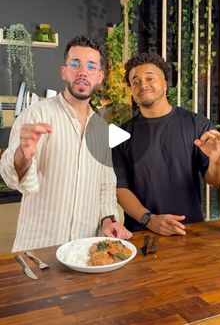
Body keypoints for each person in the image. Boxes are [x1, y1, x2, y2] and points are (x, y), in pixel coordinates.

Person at [0, 35, 132, 251]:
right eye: (75, 64)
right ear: (64, 72)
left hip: (84, 251)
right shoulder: (36, 115)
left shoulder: (101, 129)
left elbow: (106, 185)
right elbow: (12, 178)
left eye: (91, 66)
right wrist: (22, 157)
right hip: (38, 249)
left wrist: (109, 220)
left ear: (99, 76)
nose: (82, 72)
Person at [112, 53, 220, 236]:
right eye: (135, 81)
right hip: (141, 234)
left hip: (189, 231)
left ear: (164, 83)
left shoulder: (197, 125)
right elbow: (121, 188)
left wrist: (216, 160)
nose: (142, 85)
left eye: (150, 78)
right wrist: (150, 220)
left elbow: (215, 181)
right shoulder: (120, 134)